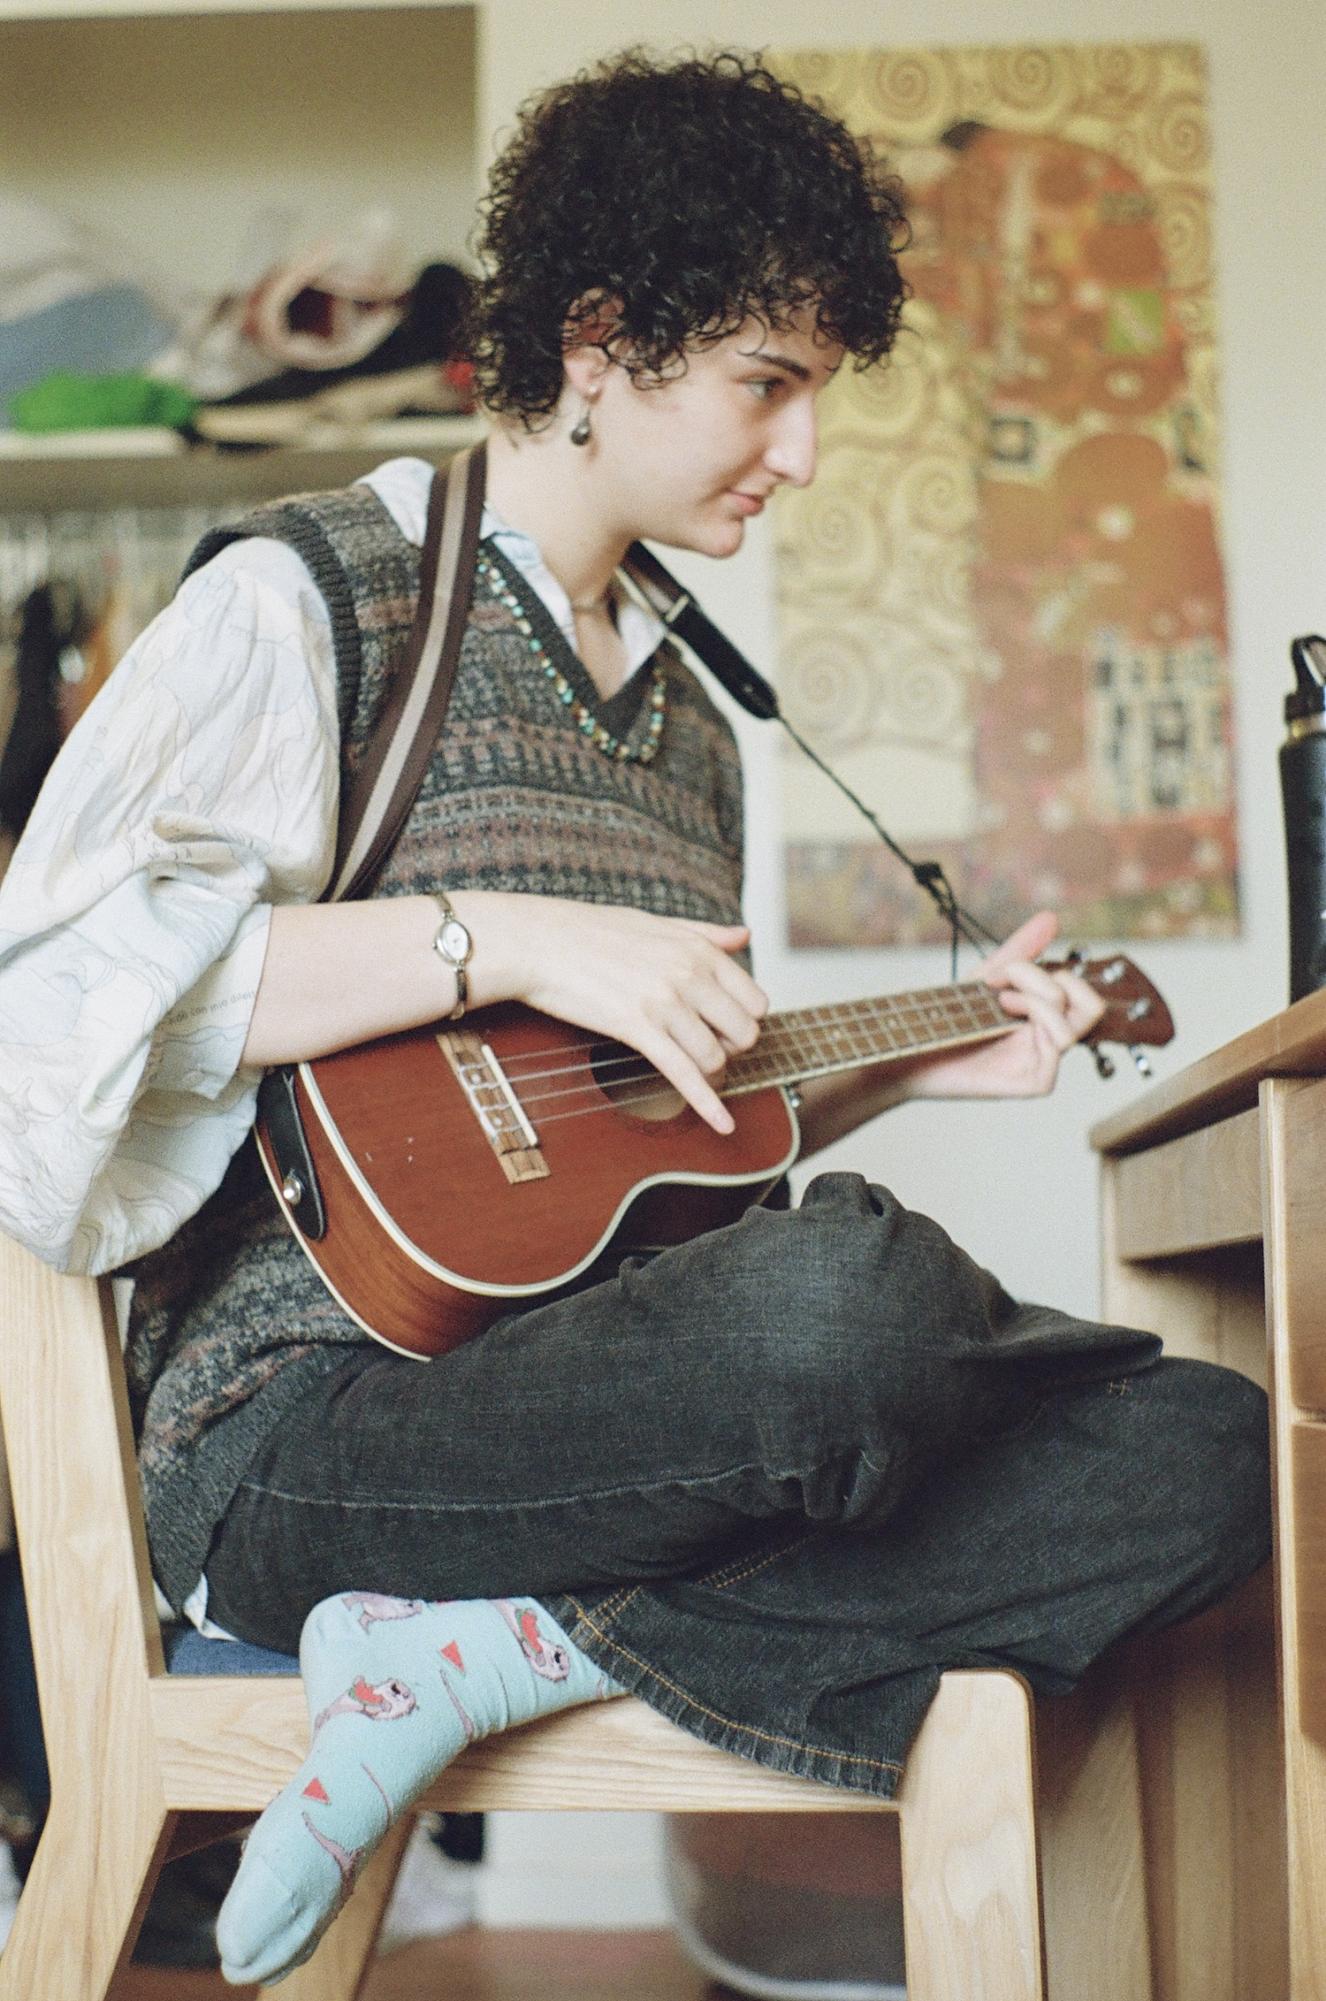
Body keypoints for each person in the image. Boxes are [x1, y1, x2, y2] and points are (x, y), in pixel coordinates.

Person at [0, 49, 1269, 1989]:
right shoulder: (314, 599)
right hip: (310, 1431)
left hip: (619, 1423)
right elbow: (53, 1008)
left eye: (821, 391)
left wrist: (920, 1053)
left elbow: (639, 1130)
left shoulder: (686, 718)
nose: (806, 448)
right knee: (845, 1303)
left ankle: (499, 1645)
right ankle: (480, 1615)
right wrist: (498, 932)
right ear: (599, 343)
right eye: (771, 381)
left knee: (1214, 1453)